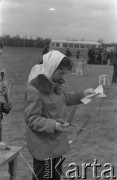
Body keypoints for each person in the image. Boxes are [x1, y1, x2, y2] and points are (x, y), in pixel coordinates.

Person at [25, 50, 95, 180]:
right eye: (61, 72)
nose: (63, 77)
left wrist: (84, 93)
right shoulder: (34, 90)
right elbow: (32, 119)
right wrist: (54, 125)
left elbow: (65, 98)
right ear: (51, 68)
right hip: (43, 147)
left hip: (56, 145)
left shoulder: (55, 85)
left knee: (56, 176)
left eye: (65, 73)